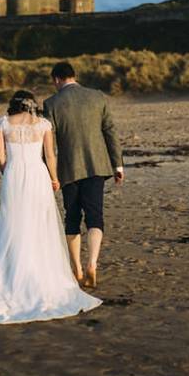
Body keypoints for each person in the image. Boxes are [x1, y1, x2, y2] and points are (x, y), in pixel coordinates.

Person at [0, 90, 102, 324]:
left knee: (15, 226)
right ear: (32, 105)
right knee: (40, 225)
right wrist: (54, 178)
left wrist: (8, 173)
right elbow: (50, 155)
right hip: (38, 177)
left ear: (14, 105)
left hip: (14, 176)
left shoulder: (3, 123)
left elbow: (0, 155)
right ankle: (43, 275)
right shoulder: (43, 124)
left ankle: (13, 277)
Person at [43, 62, 124, 289]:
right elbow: (110, 131)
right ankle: (92, 264)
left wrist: (48, 172)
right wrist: (118, 165)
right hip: (97, 166)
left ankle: (77, 269)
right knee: (95, 216)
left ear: (57, 79)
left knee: (72, 217)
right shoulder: (97, 96)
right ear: (74, 76)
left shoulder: (51, 103)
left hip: (68, 169)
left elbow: (48, 144)